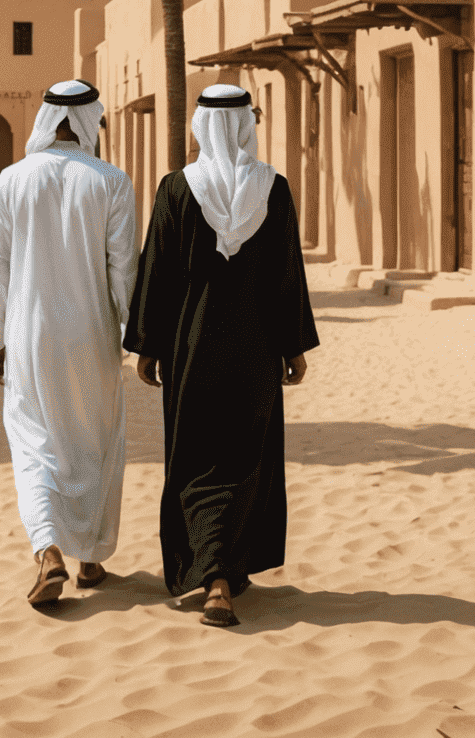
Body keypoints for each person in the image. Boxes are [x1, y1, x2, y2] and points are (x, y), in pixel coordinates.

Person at [123, 84, 318, 628]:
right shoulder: (273, 190)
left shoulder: (176, 191)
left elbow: (156, 274)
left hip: (192, 351)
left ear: (202, 126)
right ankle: (225, 573)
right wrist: (293, 347)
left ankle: (212, 577)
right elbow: (287, 277)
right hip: (254, 353)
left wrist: (149, 347)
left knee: (197, 460)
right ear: (245, 126)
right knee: (244, 459)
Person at [0, 80, 137, 607]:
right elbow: (123, 271)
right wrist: (132, 334)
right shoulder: (112, 182)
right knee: (94, 440)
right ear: (89, 120)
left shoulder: (10, 180)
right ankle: (91, 557)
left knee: (32, 445)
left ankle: (48, 550)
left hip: (29, 335)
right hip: (92, 335)